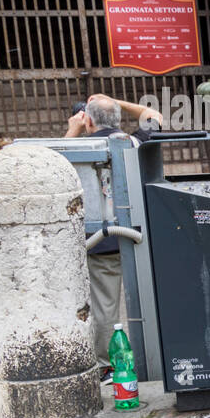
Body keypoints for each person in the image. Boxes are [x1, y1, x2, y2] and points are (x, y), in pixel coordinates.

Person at [65, 95, 162, 383]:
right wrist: (115, 101)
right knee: (145, 297)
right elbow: (153, 114)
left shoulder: (77, 147)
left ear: (89, 120)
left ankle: (107, 366)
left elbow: (51, 165)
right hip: (135, 234)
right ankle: (153, 359)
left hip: (99, 240)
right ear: (118, 120)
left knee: (105, 305)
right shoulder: (131, 142)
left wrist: (74, 128)